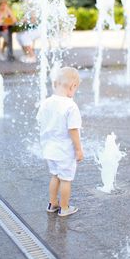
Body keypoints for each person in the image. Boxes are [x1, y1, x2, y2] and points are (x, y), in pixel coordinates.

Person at [36, 67, 84, 217]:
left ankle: (52, 203)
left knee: (55, 176)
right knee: (66, 179)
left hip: (49, 149)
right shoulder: (71, 106)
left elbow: (40, 121)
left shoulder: (46, 103)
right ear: (72, 87)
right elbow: (73, 130)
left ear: (55, 83)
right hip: (65, 151)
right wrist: (78, 149)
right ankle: (64, 207)